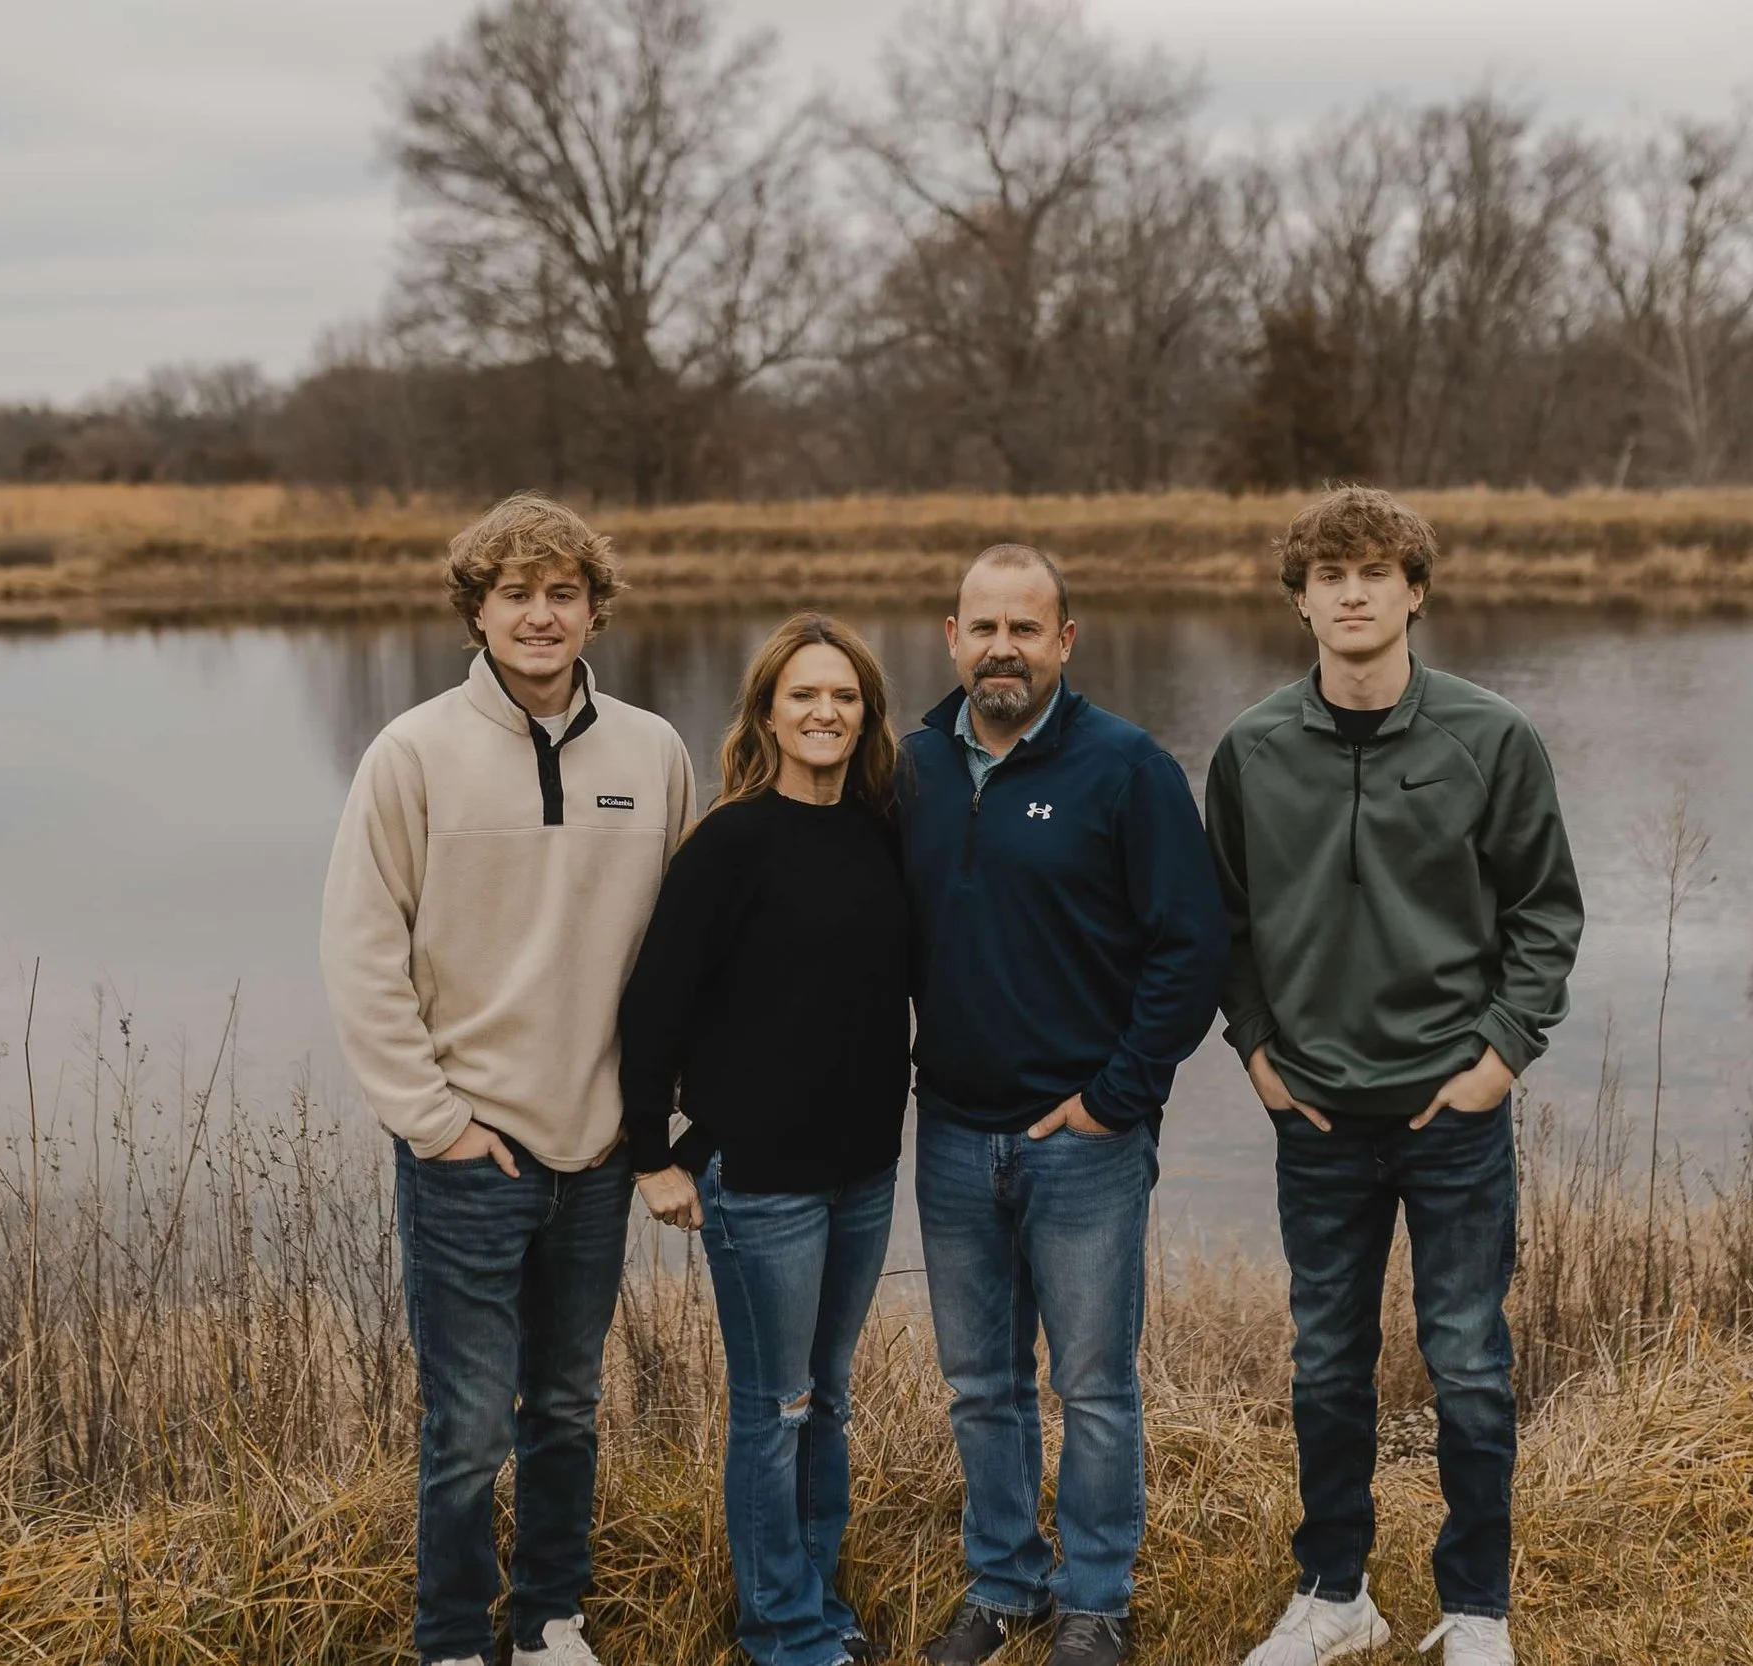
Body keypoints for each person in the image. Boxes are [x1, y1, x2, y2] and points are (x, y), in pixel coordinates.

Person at [1207, 488, 1584, 1666]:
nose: (1354, 593)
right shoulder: (1253, 748)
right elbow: (1221, 921)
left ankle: (1476, 1609)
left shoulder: (1491, 736)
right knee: (1325, 1362)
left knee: (1468, 1358)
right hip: (1316, 1114)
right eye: (1331, 575)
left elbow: (1543, 912)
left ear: (1415, 590)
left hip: (1450, 1111)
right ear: (1302, 598)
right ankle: (1335, 1594)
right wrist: (1258, 1054)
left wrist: (1497, 1058)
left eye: (1377, 572)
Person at [320, 494, 695, 1666]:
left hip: (597, 1154)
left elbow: (688, 949)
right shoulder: (414, 752)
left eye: (563, 593)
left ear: (594, 610)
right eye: (516, 593)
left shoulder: (654, 751)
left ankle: (547, 1623)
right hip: (471, 1153)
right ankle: (449, 1640)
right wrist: (434, 1124)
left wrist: (659, 1126)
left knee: (568, 1409)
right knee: (469, 1426)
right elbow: (362, 950)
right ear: (476, 610)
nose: (541, 614)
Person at [902, 545, 1229, 1666]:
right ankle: (1005, 1586)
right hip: (948, 1134)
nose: (1003, 647)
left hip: (1082, 1142)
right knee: (980, 1385)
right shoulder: (910, 770)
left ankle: (1095, 1601)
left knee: (1092, 1384)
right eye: (983, 627)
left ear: (1065, 641)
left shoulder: (1126, 768)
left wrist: (1115, 1098)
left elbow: (1191, 948)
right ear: (951, 637)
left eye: (1026, 628)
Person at [617, 612, 911, 1666]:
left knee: (826, 1400)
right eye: (805, 695)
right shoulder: (731, 841)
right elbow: (655, 1006)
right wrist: (655, 1153)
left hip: (864, 1172)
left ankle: (819, 1602)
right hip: (765, 1187)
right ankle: (779, 1631)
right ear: (769, 715)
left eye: (844, 696)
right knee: (775, 1407)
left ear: (866, 713)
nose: (826, 711)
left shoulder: (880, 828)